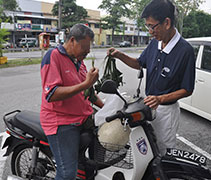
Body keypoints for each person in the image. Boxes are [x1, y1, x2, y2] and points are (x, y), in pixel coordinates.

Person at [108, 0, 195, 155]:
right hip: (147, 106)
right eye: (147, 26)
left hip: (166, 111)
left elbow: (187, 89)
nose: (149, 31)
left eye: (151, 26)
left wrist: (160, 99)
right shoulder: (155, 43)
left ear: (167, 23)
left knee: (163, 151)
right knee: (146, 149)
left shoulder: (185, 51)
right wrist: (120, 55)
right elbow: (139, 63)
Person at [40, 23, 104, 180]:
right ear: (72, 40)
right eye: (84, 47)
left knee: (96, 162)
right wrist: (86, 84)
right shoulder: (53, 56)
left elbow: (87, 93)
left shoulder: (78, 60)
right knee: (67, 173)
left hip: (82, 118)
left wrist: (107, 108)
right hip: (62, 121)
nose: (88, 51)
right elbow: (52, 93)